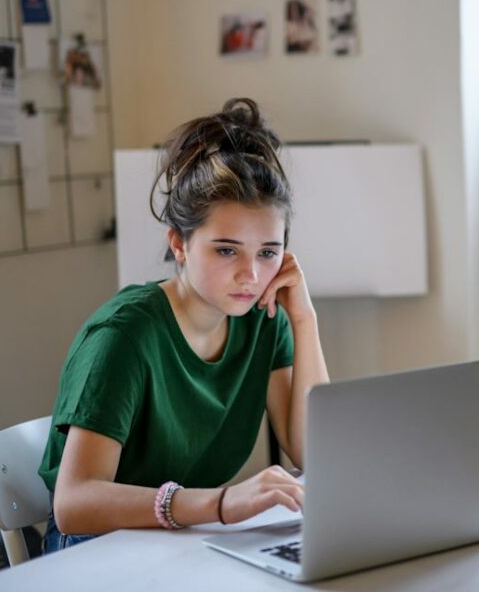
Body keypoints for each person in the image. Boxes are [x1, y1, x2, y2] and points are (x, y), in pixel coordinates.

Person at [38, 98, 330, 551]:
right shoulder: (124, 336)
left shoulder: (263, 319)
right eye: (227, 250)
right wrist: (220, 504)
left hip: (189, 540)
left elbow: (314, 454)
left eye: (268, 252)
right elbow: (74, 503)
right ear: (179, 243)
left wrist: (304, 319)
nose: (251, 276)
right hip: (96, 547)